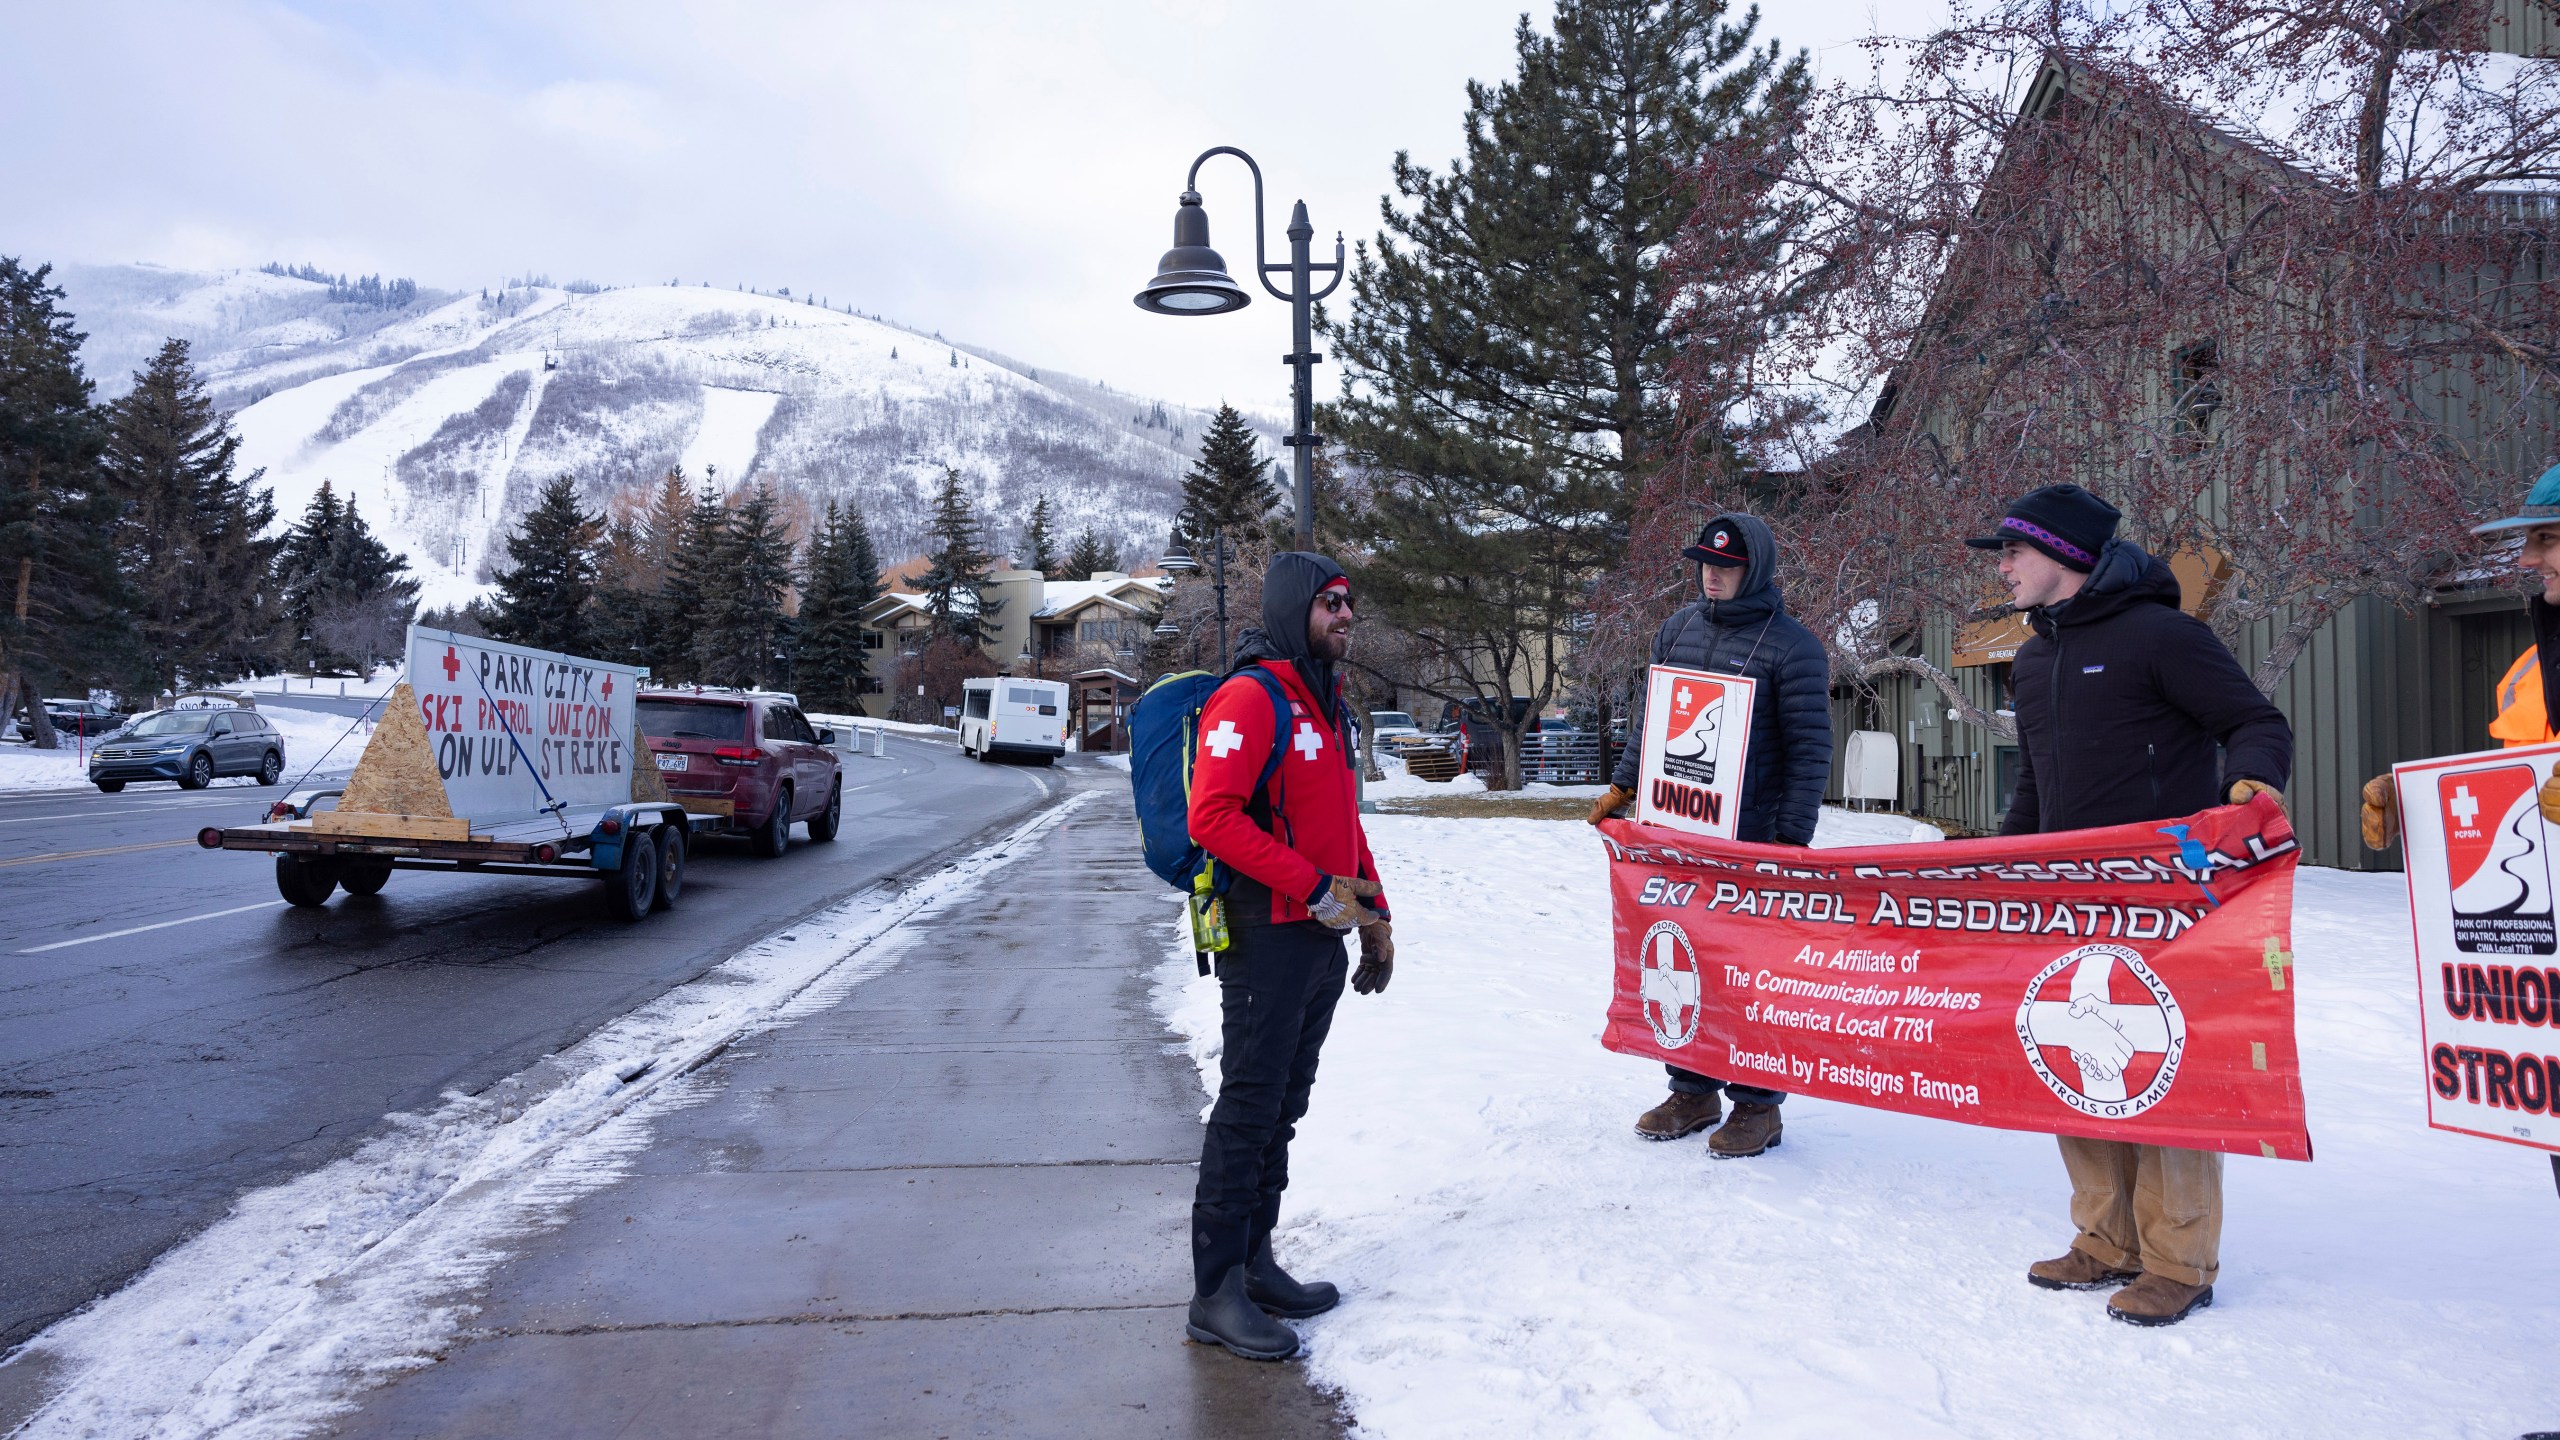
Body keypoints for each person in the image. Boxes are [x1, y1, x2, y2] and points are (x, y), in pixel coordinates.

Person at [1972, 483, 2294, 1327]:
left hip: (2167, 901)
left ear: (2064, 555)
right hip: (2070, 898)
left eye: (2012, 552)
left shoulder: (2163, 635)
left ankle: (2179, 1260)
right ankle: (2104, 1240)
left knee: (2165, 1071)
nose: (2001, 568)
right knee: (2074, 1059)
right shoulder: (2035, 657)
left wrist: (2248, 788)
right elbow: (2036, 784)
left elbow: (2256, 723)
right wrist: (2003, 870)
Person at [1181, 551, 1395, 1361]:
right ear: (1291, 609)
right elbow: (1214, 817)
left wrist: (1375, 916)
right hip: (1263, 933)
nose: (1345, 615)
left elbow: (1346, 823)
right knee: (1247, 1108)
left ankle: (1254, 1262)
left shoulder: (1324, 703)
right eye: (1329, 603)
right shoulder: (1253, 697)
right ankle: (1215, 1292)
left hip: (1319, 935)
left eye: (1348, 602)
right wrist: (1313, 889)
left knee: (1283, 1110)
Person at [1586, 513, 1833, 1158]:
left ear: (1757, 570)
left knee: (1749, 972)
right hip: (1677, 832)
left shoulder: (1794, 646)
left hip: (1751, 841)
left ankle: (1758, 1105)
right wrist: (1622, 787)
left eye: (1727, 565)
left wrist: (1789, 843)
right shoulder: (1679, 628)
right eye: (1706, 564)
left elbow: (1809, 752)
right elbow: (1653, 717)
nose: (1713, 574)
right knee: (1682, 959)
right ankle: (1692, 1088)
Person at [2362, 463, 2560, 849]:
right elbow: (2520, 792)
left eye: (2547, 538)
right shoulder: (2528, 671)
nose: (2526, 559)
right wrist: (2419, 806)